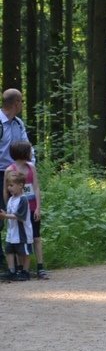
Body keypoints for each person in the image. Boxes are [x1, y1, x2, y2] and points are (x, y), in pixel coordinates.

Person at [5, 141, 49, 279]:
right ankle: (20, 269)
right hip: (17, 210)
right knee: (19, 238)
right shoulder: (10, 170)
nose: (32, 153)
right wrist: (8, 209)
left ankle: (40, 267)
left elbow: (36, 187)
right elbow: (6, 191)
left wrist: (38, 207)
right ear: (23, 152)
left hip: (32, 207)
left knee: (36, 237)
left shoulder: (31, 167)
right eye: (30, 151)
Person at [0, 89, 32, 269]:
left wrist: (29, 168)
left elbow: (27, 148)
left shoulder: (18, 124)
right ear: (16, 103)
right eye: (21, 101)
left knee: (13, 211)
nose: (22, 105)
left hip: (15, 174)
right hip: (0, 173)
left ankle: (14, 262)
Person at [0, 169, 34, 282]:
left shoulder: (23, 199)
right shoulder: (11, 199)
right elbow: (10, 213)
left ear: (20, 185)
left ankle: (25, 272)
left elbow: (19, 216)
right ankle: (12, 271)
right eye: (8, 185)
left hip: (22, 233)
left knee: (24, 252)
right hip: (12, 233)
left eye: (11, 185)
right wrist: (4, 214)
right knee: (9, 250)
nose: (9, 188)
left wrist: (5, 216)